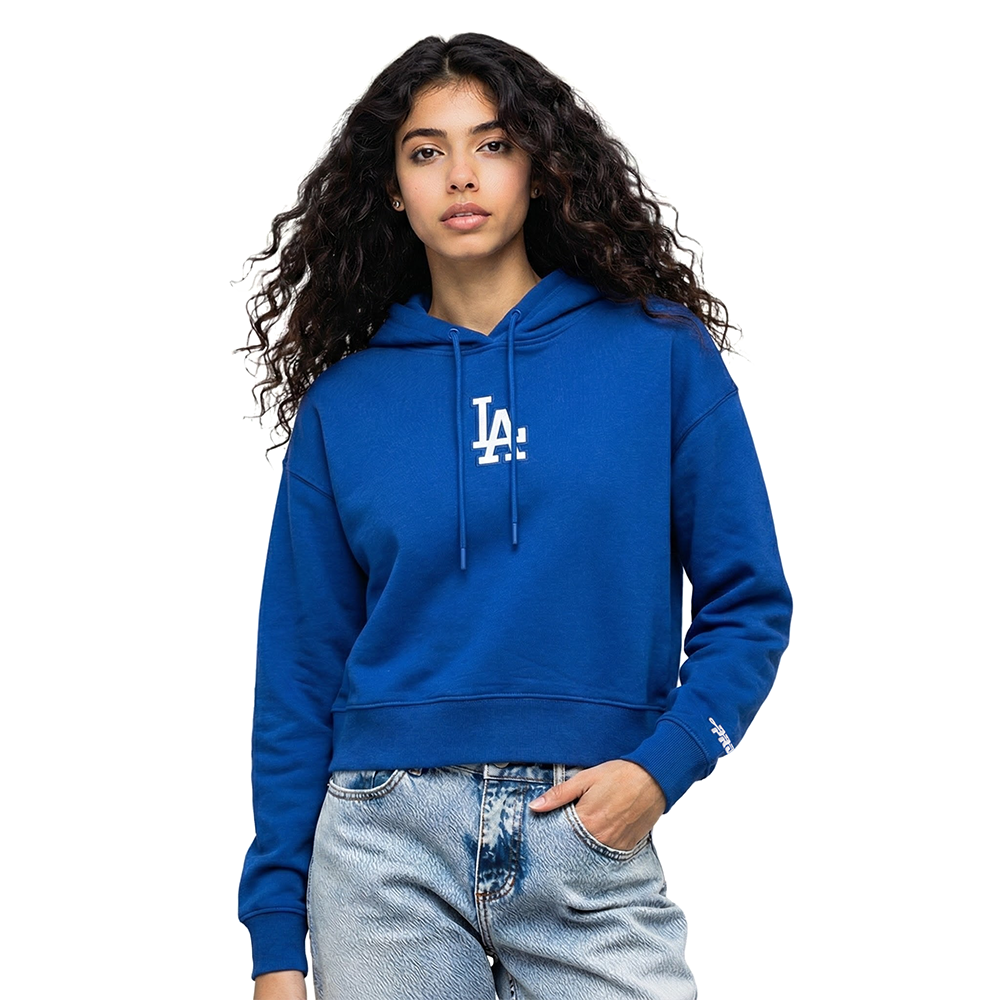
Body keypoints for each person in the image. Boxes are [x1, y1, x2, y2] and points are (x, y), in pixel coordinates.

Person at [235, 31, 792, 1000]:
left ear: (540, 167)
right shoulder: (345, 405)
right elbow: (297, 674)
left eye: (492, 144)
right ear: (392, 189)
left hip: (585, 829)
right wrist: (276, 938)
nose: (461, 174)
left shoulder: (658, 355)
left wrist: (661, 767)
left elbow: (749, 604)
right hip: (381, 847)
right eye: (426, 151)